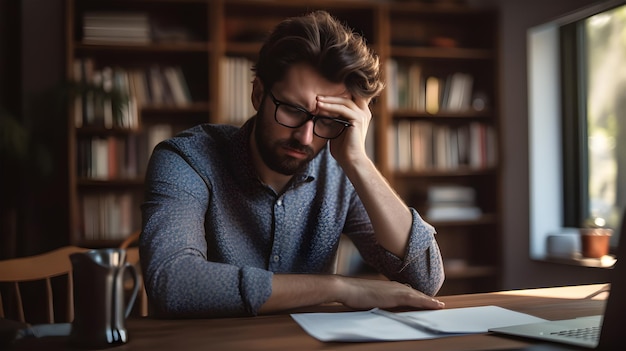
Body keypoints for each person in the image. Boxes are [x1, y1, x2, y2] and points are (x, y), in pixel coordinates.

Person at [140, 10, 445, 318]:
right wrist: (339, 288)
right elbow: (173, 283)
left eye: (327, 120)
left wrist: (358, 162)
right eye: (292, 110)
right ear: (258, 94)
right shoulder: (187, 159)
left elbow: (425, 279)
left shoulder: (340, 169)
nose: (305, 136)